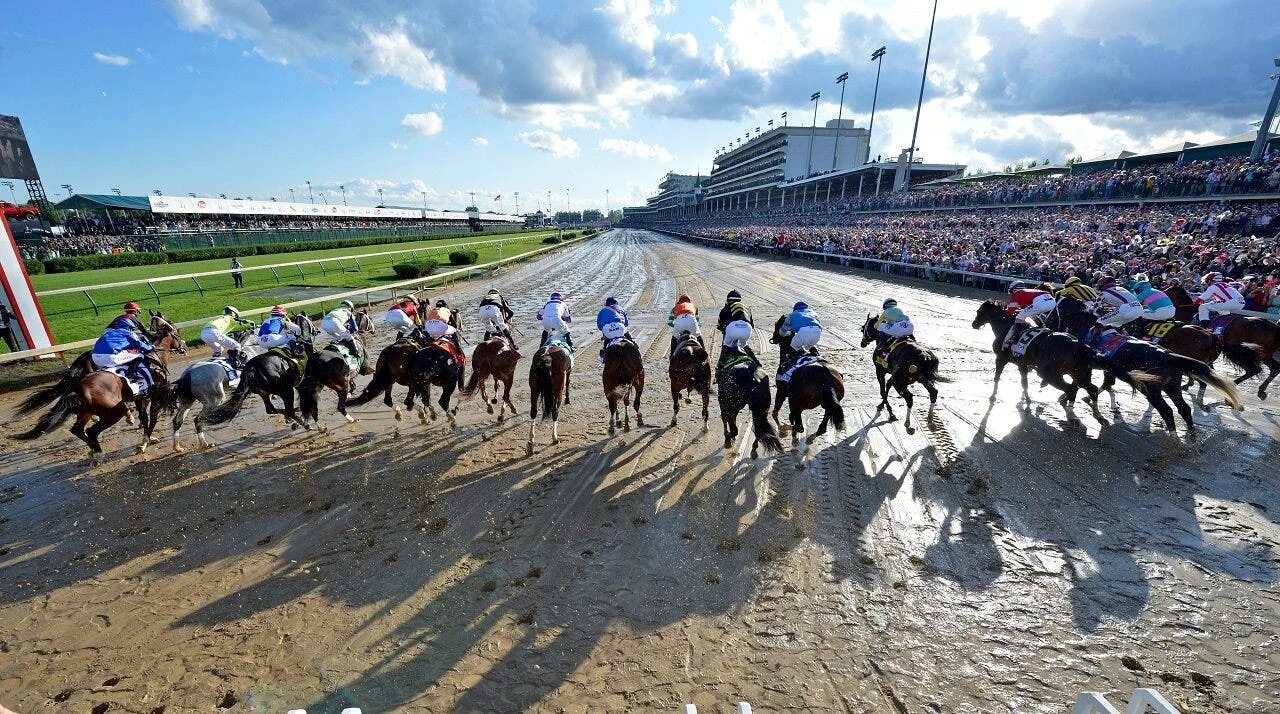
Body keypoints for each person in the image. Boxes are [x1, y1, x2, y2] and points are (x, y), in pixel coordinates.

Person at [91, 323, 155, 395]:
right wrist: (150, 347)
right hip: (110, 357)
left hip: (95, 358)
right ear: (128, 327)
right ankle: (134, 376)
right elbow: (139, 344)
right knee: (139, 355)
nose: (132, 331)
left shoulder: (107, 333)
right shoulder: (126, 332)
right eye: (132, 329)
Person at [1002, 281, 1055, 350]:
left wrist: (1006, 314)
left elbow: (1010, 310)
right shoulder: (1028, 292)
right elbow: (1026, 309)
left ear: (1014, 290)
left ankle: (1014, 338)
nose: (1010, 294)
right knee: (1030, 313)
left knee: (1019, 317)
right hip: (1052, 301)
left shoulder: (1017, 293)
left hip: (1041, 303)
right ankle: (1041, 327)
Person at [716, 290, 759, 366]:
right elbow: (752, 325)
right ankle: (757, 363)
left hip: (733, 329)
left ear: (728, 300)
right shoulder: (747, 307)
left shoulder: (726, 308)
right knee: (744, 344)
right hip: (747, 329)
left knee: (725, 344)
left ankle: (720, 365)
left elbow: (719, 326)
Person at [780, 301, 822, 376]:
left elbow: (782, 333)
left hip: (803, 332)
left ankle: (788, 371)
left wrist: (788, 333)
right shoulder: (813, 313)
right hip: (817, 332)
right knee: (809, 346)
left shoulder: (792, 315)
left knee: (792, 349)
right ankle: (817, 357)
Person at [596, 296, 631, 364]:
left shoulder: (602, 311)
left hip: (607, 330)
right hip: (620, 328)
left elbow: (600, 327)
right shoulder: (620, 308)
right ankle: (634, 348)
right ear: (616, 303)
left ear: (606, 304)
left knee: (607, 342)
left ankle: (604, 354)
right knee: (628, 338)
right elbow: (626, 324)